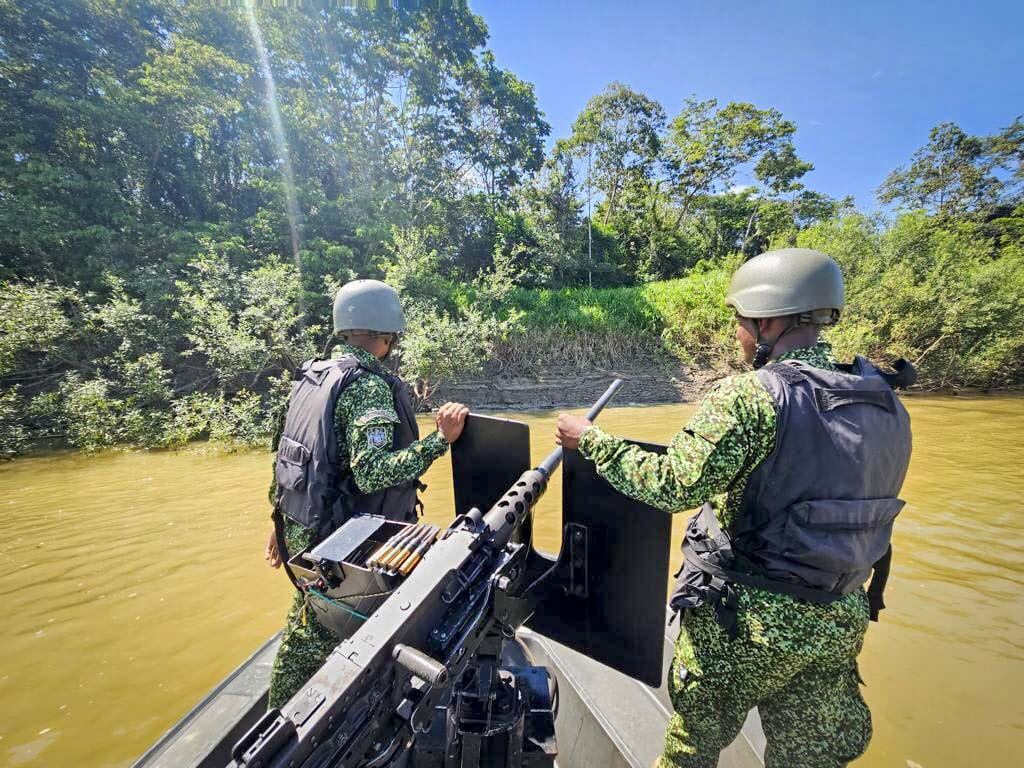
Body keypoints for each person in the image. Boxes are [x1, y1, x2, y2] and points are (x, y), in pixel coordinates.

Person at [555, 248, 912, 768]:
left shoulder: (752, 396)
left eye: (741, 321)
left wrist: (592, 442)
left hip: (745, 627)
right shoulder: (884, 399)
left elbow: (672, 484)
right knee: (808, 758)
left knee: (691, 749)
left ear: (768, 320)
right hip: (838, 619)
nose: (737, 334)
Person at [264, 278, 469, 709]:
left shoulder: (313, 375)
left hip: (302, 527)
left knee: (307, 623)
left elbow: (285, 455)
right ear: (387, 334)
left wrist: (278, 524)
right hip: (337, 543)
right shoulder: (366, 385)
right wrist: (440, 440)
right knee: (330, 633)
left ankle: (282, 716)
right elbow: (373, 474)